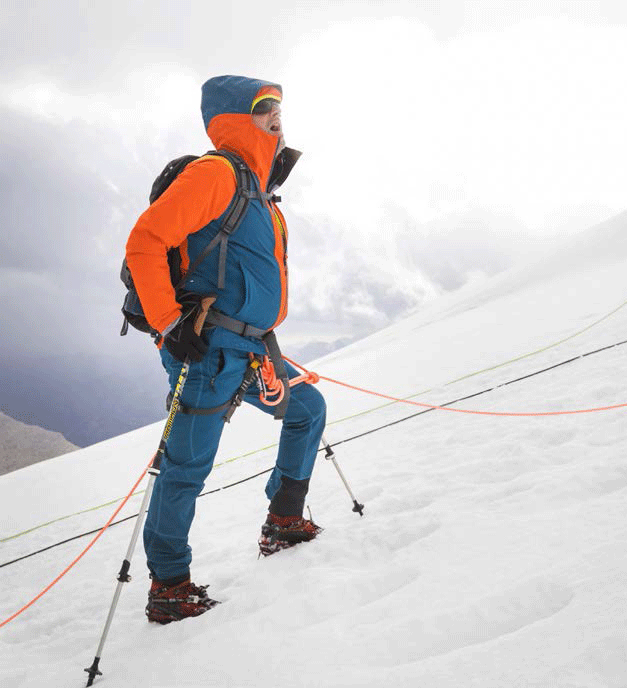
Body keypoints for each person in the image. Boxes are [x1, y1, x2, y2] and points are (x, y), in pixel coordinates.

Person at [125, 75, 326, 624]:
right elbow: (146, 240)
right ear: (236, 119)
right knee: (187, 466)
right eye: (265, 110)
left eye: (281, 108)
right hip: (208, 349)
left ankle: (283, 520)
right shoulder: (216, 174)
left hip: (252, 347)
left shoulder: (261, 192)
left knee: (307, 410)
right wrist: (170, 325)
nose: (277, 117)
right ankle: (169, 585)